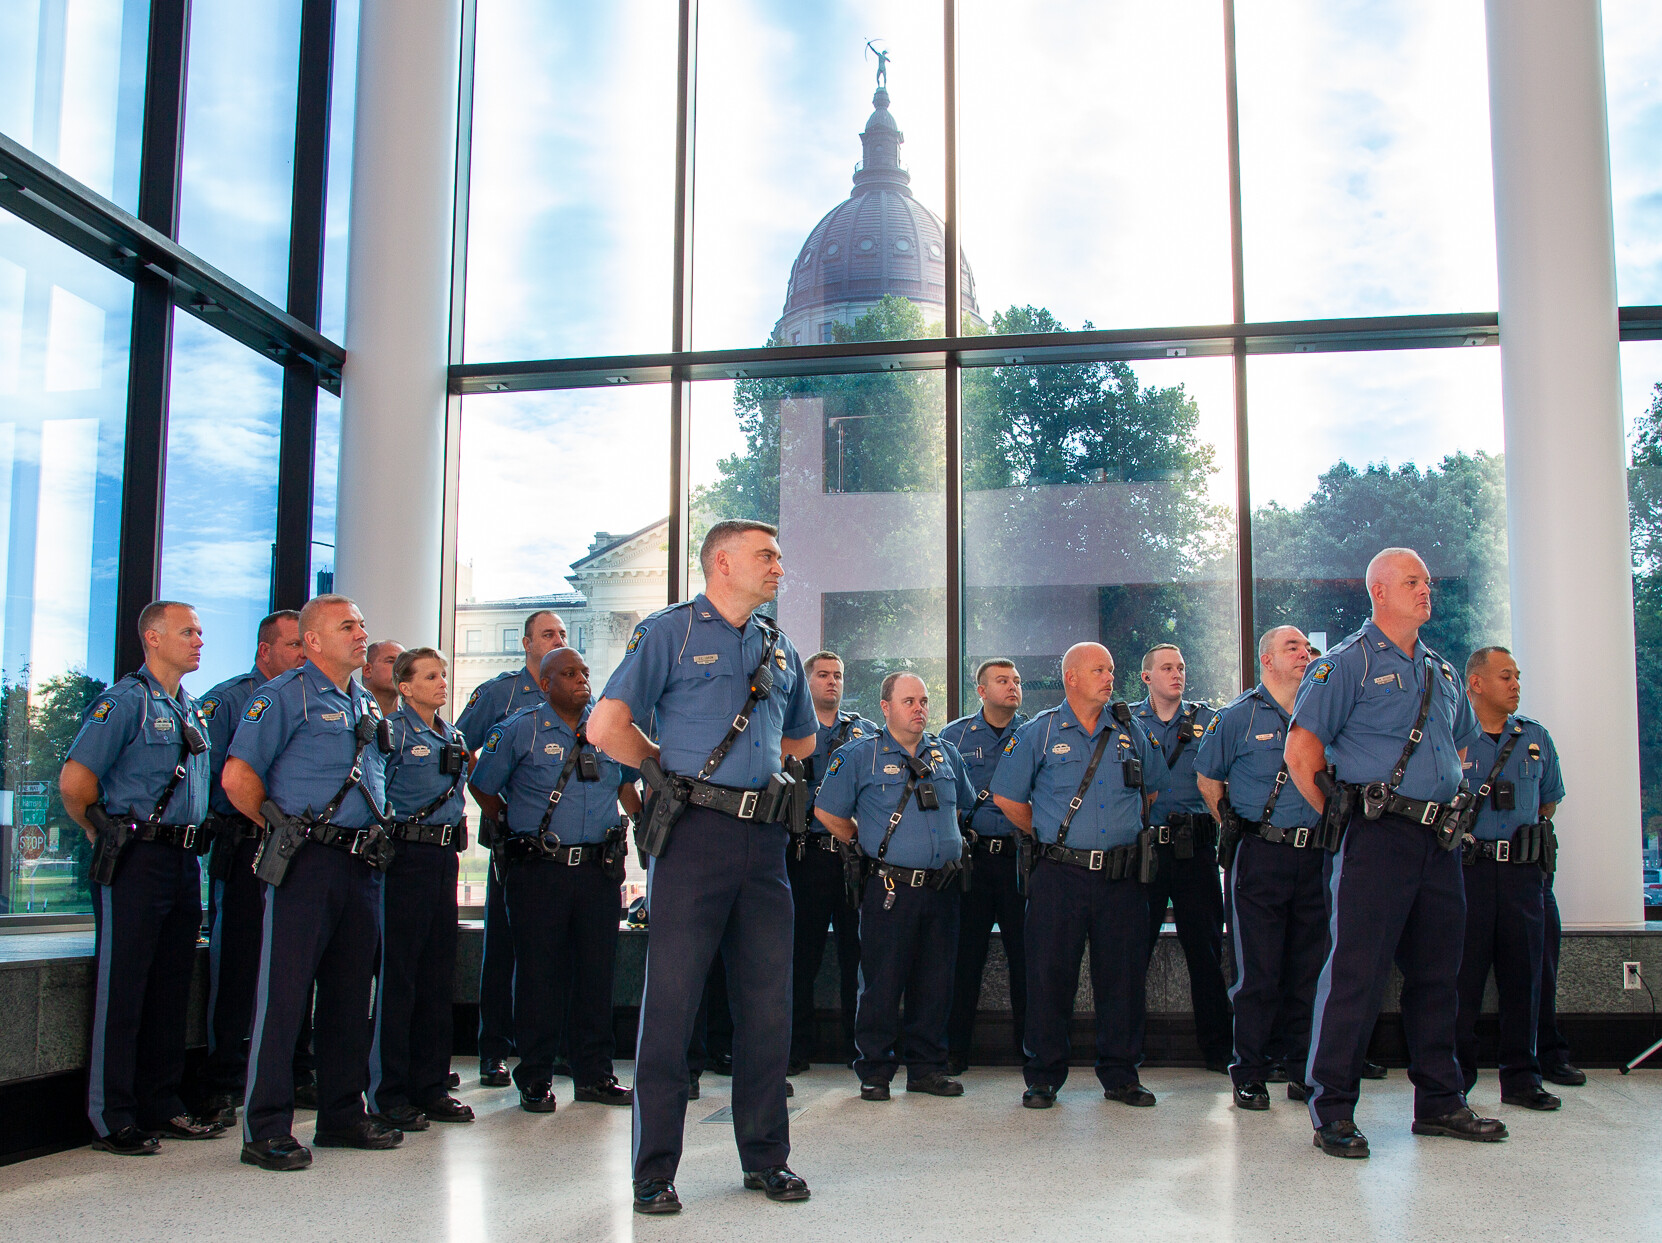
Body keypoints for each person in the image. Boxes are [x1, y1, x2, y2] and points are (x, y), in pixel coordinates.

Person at [588, 519, 816, 1215]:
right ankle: (654, 1170)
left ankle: (766, 1158)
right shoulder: (670, 632)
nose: (779, 565)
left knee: (766, 1008)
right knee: (672, 1006)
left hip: (765, 843)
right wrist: (664, 763)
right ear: (722, 562)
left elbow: (802, 737)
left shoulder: (782, 649)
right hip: (692, 836)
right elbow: (604, 727)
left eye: (778, 554)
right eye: (765, 555)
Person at [1286, 548, 1507, 1159]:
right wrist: (1343, 821)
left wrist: (1448, 798)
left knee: (1440, 974)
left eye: (1427, 582)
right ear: (1379, 590)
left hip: (1438, 842)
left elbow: (1460, 747)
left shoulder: (1440, 669)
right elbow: (1302, 755)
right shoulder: (1345, 665)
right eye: (1412, 582)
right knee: (1357, 974)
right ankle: (1331, 1108)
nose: (1425, 590)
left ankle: (1439, 1100)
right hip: (1376, 837)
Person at [222, 594, 399, 1171]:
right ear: (315, 640)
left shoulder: (362, 702)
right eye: (348, 625)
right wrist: (280, 829)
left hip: (361, 864)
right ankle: (266, 1127)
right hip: (308, 861)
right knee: (286, 995)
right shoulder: (282, 695)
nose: (361, 633)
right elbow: (237, 777)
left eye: (363, 623)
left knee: (352, 996)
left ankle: (343, 1114)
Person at [60, 600, 221, 1154]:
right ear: (152, 638)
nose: (199, 640)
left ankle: (162, 1102)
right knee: (123, 987)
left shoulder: (190, 708)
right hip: (134, 858)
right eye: (187, 631)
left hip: (181, 860)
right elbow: (76, 783)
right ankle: (114, 1115)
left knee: (170, 987)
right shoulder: (124, 702)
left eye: (200, 631)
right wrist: (100, 834)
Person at [991, 642, 1167, 1109]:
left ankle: (1122, 1075)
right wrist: (1052, 837)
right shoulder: (1040, 732)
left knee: (1123, 978)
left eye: (1111, 669)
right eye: (1098, 670)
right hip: (1059, 876)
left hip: (1121, 877)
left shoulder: (1130, 730)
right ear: (1071, 677)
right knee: (1050, 976)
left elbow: (1151, 792)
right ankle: (1044, 1076)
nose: (1109, 677)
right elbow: (1008, 798)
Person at [469, 647, 639, 1113]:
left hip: (598, 873)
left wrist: (646, 823)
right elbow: (482, 785)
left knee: (596, 975)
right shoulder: (520, 728)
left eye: (584, 671)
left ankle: (594, 1075)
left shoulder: (608, 730)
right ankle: (536, 1076)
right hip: (540, 871)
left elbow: (626, 784)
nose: (581, 679)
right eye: (568, 673)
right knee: (539, 975)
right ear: (545, 683)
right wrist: (514, 824)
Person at [815, 672, 976, 1101]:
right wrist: (865, 844)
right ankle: (875, 1070)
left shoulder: (947, 755)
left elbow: (963, 806)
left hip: (942, 887)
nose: (919, 708)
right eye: (909, 701)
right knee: (883, 982)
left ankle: (927, 1068)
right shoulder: (859, 756)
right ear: (885, 708)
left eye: (923, 701)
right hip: (890, 887)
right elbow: (827, 811)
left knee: (936, 982)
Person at [1195, 626, 1326, 1110]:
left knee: (1309, 968)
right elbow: (1208, 778)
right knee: (1258, 972)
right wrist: (1235, 826)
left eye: (1306, 648)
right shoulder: (1237, 717)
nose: (1304, 654)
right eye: (1292, 647)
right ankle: (1249, 1072)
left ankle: (1302, 1070)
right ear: (1266, 660)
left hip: (1316, 854)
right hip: (1261, 854)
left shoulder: (1323, 712)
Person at [195, 611, 313, 1126]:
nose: (301, 656)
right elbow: (221, 777)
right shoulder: (229, 699)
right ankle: (226, 1078)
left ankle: (290, 1070)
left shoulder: (313, 698)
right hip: (246, 844)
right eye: (292, 646)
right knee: (239, 962)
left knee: (295, 964)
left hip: (298, 851)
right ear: (265, 650)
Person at [456, 609, 568, 1088]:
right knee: (503, 949)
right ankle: (493, 1050)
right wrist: (499, 808)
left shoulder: (572, 693)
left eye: (563, 633)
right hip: (509, 843)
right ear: (526, 644)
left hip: (558, 850)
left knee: (549, 951)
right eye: (548, 634)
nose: (557, 639)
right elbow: (458, 747)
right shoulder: (500, 693)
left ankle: (545, 1049)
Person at [368, 647, 476, 1131]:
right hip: (404, 858)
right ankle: (390, 1092)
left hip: (442, 858)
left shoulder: (450, 735)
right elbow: (375, 792)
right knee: (401, 977)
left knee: (437, 975)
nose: (441, 682)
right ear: (405, 687)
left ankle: (431, 1085)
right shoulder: (391, 733)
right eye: (430, 676)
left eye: (443, 675)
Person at [1454, 646, 1565, 1111]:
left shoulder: (1534, 737)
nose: (1515, 684)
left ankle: (1522, 1078)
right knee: (1463, 981)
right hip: (1468, 873)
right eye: (1505, 676)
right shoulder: (1451, 736)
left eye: (1517, 676)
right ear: (1476, 684)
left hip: (1522, 875)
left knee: (1525, 977)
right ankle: (1454, 1081)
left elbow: (1547, 802)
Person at [1133, 644, 1232, 1072]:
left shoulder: (1210, 721)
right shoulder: (1128, 723)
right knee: (1131, 952)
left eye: (1182, 667)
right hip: (1147, 851)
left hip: (1197, 851)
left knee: (1207, 954)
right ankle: (1126, 1051)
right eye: (1167, 668)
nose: (1177, 674)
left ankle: (1219, 1052)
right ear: (1147, 677)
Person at [786, 651, 876, 1072]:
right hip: (805, 857)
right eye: (822, 675)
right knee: (799, 958)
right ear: (808, 683)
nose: (832, 682)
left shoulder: (865, 732)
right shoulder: (790, 731)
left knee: (855, 957)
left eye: (838, 675)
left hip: (853, 859)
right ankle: (795, 1050)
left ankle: (855, 1049)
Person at [939, 658, 1028, 1073]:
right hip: (972, 860)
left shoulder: (1034, 733)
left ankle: (1032, 1049)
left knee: (1027, 958)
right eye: (1002, 680)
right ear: (981, 690)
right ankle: (954, 1050)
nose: (1012, 686)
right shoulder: (953, 737)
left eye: (1016, 680)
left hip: (1019, 860)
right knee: (963, 957)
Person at [362, 640, 405, 718]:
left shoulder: (412, 723)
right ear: (367, 670)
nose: (400, 668)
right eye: (390, 661)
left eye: (404, 664)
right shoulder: (350, 715)